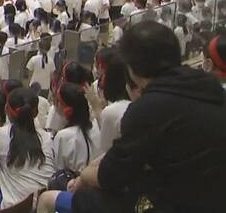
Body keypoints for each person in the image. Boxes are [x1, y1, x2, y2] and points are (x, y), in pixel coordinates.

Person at [66, 21, 226, 213]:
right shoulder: (209, 85)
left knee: (85, 197)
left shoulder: (146, 109)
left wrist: (83, 175)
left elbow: (110, 177)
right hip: (213, 194)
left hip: (183, 202)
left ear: (132, 69)